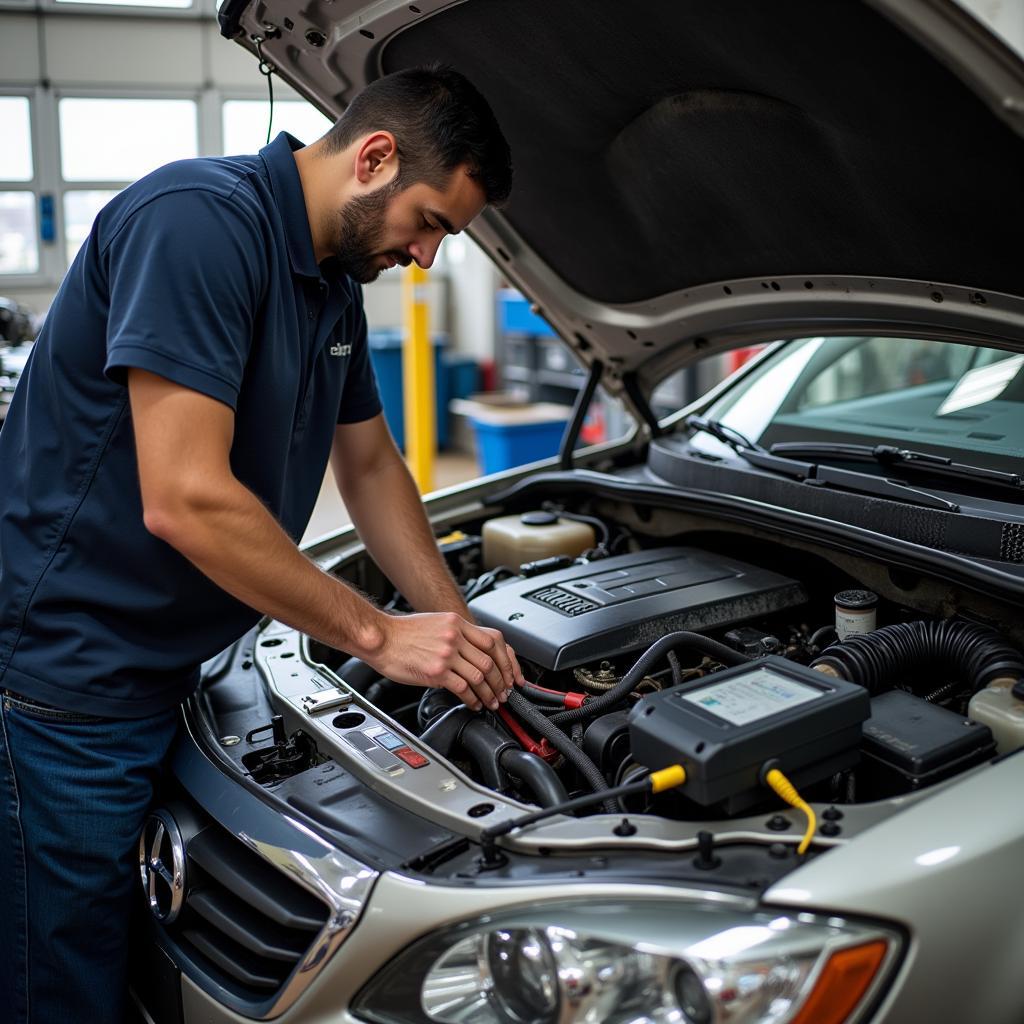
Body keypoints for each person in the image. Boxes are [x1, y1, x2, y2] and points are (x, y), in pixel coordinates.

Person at [0, 65, 516, 1024]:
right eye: (433, 222)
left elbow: (371, 470)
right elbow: (186, 500)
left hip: (187, 665)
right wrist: (378, 636)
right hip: (73, 680)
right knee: (61, 979)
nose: (429, 256)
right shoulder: (198, 224)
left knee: (152, 951)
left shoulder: (330, 281)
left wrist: (452, 627)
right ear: (374, 157)